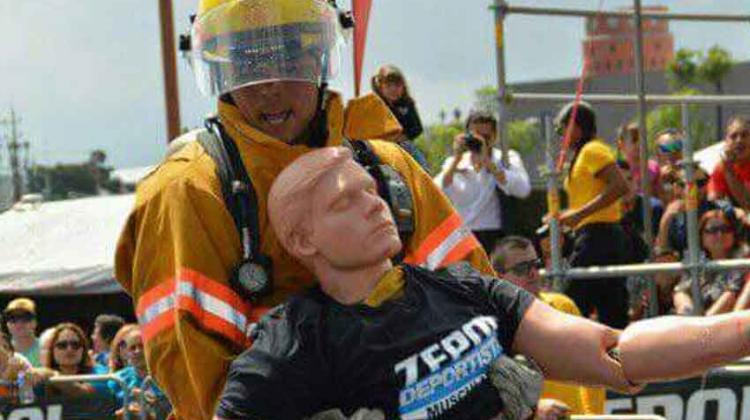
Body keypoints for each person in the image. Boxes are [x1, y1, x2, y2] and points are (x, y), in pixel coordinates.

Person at [114, 1, 492, 417]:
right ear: (219, 67)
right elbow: (198, 381)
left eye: (286, 54)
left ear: (320, 54)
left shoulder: (389, 169)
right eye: (247, 61)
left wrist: (500, 373)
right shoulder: (187, 193)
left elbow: (474, 298)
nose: (268, 84)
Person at [216, 146, 750, 419]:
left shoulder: (462, 287)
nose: (374, 204)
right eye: (343, 202)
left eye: (369, 189)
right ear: (303, 241)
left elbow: (613, 351)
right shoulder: (293, 345)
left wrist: (743, 329)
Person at [492, 236, 604, 417]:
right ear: (498, 277)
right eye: (522, 269)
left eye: (535, 264)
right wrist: (533, 411)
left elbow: (596, 367)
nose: (533, 273)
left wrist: (591, 415)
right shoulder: (489, 328)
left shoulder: (564, 306)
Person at [553, 101, 631, 329]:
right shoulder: (581, 155)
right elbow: (585, 200)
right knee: (610, 308)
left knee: (573, 306)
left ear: (577, 127)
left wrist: (579, 214)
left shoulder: (592, 150)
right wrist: (566, 215)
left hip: (599, 238)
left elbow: (619, 186)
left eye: (562, 129)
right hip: (591, 236)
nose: (560, 136)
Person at [434, 110, 531, 253]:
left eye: (486, 137)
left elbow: (523, 190)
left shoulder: (506, 158)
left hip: (496, 235)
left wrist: (489, 163)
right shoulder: (455, 162)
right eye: (476, 136)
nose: (481, 141)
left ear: (495, 137)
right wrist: (456, 160)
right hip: (463, 235)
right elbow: (437, 191)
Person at [673, 210, 750, 316]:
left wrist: (704, 325)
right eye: (713, 230)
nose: (720, 234)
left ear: (734, 234)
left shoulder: (742, 257)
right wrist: (687, 312)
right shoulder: (695, 256)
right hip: (695, 319)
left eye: (725, 229)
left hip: (722, 321)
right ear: (701, 236)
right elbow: (681, 290)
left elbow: (730, 296)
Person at [370, 64, 428, 169]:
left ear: (403, 87)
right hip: (379, 145)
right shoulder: (374, 105)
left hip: (402, 144)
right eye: (388, 86)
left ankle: (424, 179)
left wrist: (401, 137)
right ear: (380, 87)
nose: (393, 89)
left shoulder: (407, 104)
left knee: (418, 159)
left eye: (397, 86)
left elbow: (417, 128)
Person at [36, 323, 111, 399]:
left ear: (83, 350)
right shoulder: (42, 378)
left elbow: (82, 393)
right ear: (52, 351)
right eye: (62, 345)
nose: (69, 349)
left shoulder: (100, 373)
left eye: (75, 345)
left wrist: (53, 376)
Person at [109, 327, 170, 419]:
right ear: (124, 352)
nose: (138, 351)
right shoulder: (116, 380)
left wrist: (157, 406)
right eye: (132, 348)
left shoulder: (168, 377)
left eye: (142, 346)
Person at [709, 116, 750, 210]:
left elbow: (748, 204)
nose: (739, 140)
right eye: (733, 136)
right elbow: (714, 198)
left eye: (745, 135)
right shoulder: (721, 167)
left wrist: (729, 171)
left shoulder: (726, 167)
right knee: (714, 221)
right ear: (726, 142)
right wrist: (735, 211)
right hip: (735, 217)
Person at [616, 123, 660, 197]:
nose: (639, 144)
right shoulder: (617, 169)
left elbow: (660, 193)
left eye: (642, 140)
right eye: (634, 140)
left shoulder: (653, 167)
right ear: (621, 145)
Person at [3, 298, 41, 367]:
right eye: (12, 318)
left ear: (35, 322)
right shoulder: (2, 350)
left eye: (25, 318)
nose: (19, 323)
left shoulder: (46, 347)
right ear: (7, 324)